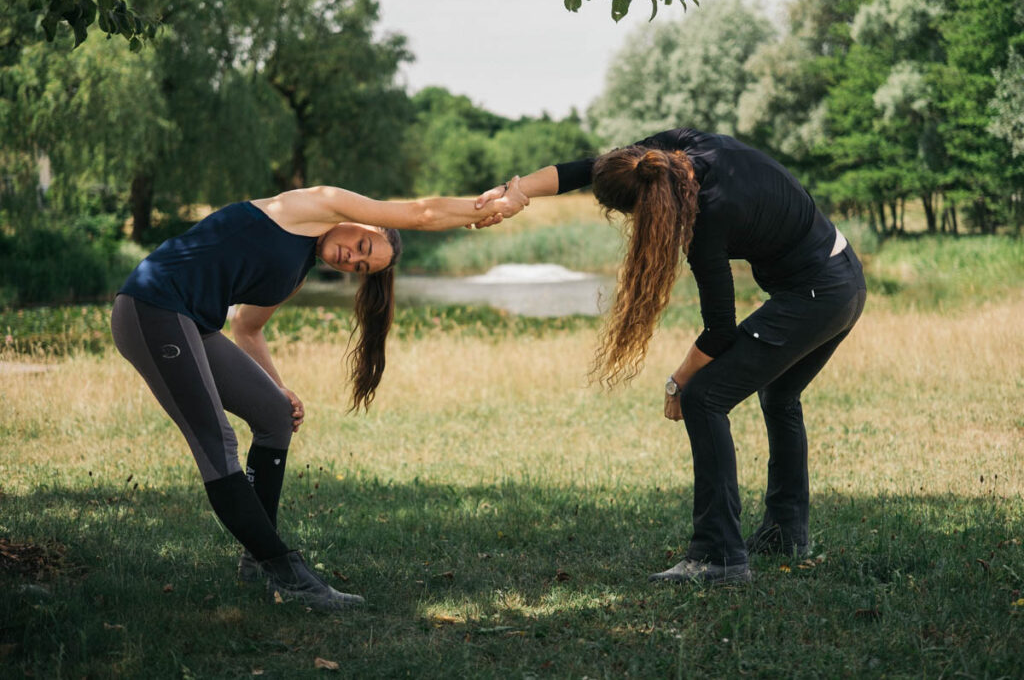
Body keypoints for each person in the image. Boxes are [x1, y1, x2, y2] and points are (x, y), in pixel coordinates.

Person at [110, 180, 529, 610]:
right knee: (217, 444)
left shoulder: (296, 272)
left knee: (274, 416)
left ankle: (256, 560)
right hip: (153, 307)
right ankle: (287, 574)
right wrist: (488, 209)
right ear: (360, 220)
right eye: (364, 243)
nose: (355, 258)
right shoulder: (311, 205)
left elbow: (247, 327)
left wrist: (278, 387)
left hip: (193, 323)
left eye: (362, 267)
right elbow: (421, 213)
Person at [476, 129, 866, 584]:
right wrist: (515, 192)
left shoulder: (707, 218)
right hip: (844, 279)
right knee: (778, 396)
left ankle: (719, 557)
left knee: (705, 397)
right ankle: (785, 534)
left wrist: (678, 382)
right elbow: (592, 167)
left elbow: (720, 330)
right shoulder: (681, 149)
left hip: (816, 294)